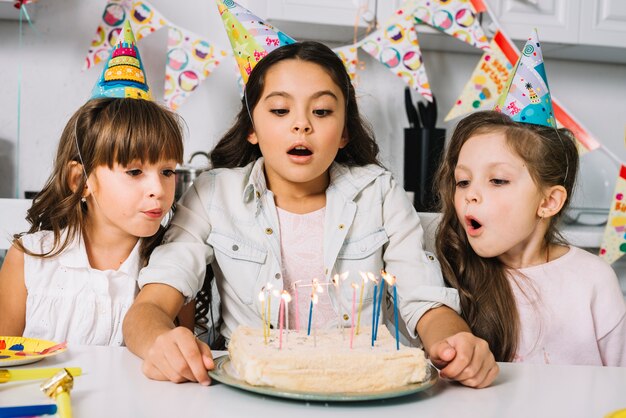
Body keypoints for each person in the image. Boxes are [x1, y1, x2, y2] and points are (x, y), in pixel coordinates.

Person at [123, 41, 498, 388]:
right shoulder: (213, 193)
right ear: (251, 127)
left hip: (362, 390)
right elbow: (152, 305)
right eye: (280, 110)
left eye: (321, 111)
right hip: (252, 391)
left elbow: (425, 300)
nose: (301, 124)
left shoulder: (378, 193)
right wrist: (160, 340)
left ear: (344, 132)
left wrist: (456, 343)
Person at [435, 110, 626, 366]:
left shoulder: (593, 279)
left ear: (548, 202)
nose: (470, 195)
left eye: (498, 180)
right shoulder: (449, 272)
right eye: (463, 182)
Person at [0, 97, 184, 345]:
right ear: (80, 180)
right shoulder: (29, 258)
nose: (158, 190)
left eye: (167, 171)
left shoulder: (175, 268)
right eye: (134, 171)